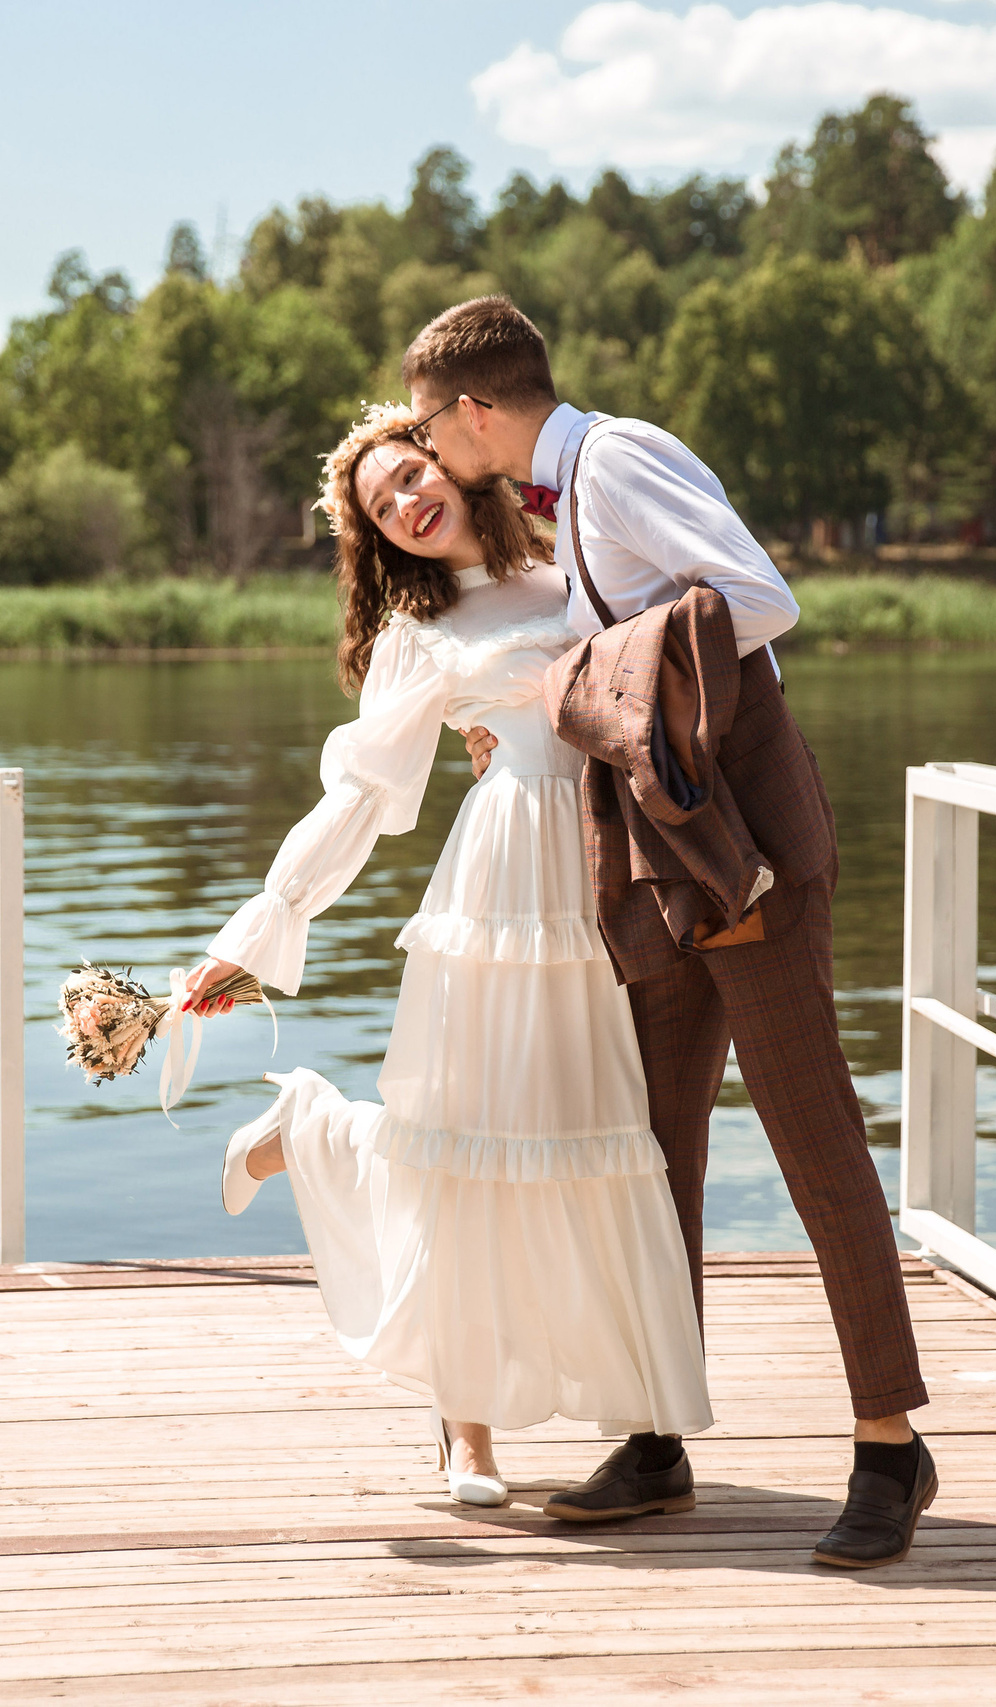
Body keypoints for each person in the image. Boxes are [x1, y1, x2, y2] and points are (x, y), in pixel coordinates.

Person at [402, 297, 937, 1570]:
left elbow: (760, 603)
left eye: (429, 420)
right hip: (658, 864)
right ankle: (653, 1438)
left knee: (816, 1150)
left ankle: (887, 1447)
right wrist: (527, 709)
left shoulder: (620, 457)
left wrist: (576, 681)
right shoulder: (561, 491)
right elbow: (613, 651)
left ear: (479, 411)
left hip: (743, 855)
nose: (428, 447)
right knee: (650, 1161)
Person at [180, 405, 713, 1515]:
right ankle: (464, 1438)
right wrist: (261, 926)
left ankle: (646, 1438)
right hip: (497, 883)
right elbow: (361, 799)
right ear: (378, 538)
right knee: (458, 1146)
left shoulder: (573, 568)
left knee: (587, 1142)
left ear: (453, 461)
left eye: (412, 474)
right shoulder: (419, 638)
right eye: (383, 507)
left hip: (600, 876)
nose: (408, 503)